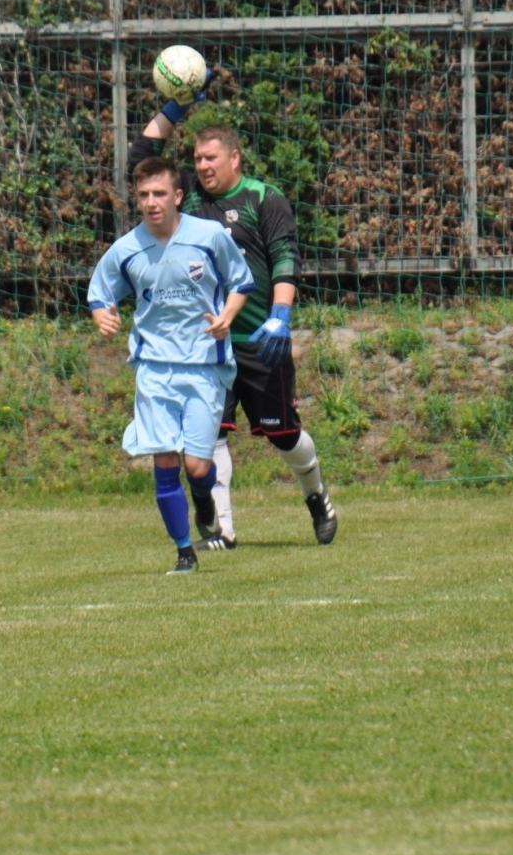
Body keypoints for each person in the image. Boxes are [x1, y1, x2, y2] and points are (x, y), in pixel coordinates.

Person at [128, 89, 336, 550]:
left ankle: (316, 494)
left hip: (260, 338)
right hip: (206, 347)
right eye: (197, 159)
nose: (201, 166)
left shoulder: (265, 198)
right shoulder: (188, 199)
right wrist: (174, 109)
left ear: (235, 158)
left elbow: (285, 257)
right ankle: (222, 530)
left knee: (284, 436)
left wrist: (281, 315)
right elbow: (142, 156)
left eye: (210, 158)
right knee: (209, 439)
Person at [88, 156, 253, 574]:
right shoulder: (127, 248)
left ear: (178, 196)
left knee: (197, 466)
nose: (151, 202)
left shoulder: (210, 236)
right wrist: (102, 315)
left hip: (203, 366)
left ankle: (204, 499)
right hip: (154, 368)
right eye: (143, 195)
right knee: (163, 461)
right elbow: (100, 290)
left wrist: (227, 317)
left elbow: (241, 282)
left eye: (159, 193)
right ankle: (184, 552)